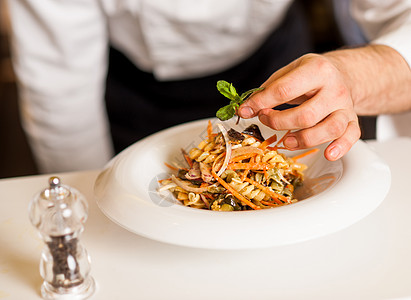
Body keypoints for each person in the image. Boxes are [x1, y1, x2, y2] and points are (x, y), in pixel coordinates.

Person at [6, 0, 411, 173]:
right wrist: (95, 202)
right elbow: (58, 83)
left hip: (278, 62)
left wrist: (354, 75)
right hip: (136, 92)